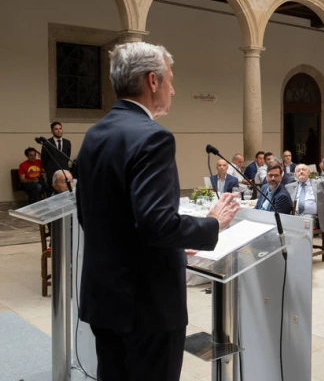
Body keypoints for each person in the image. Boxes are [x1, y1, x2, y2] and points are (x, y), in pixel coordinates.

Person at [75, 42, 240, 380]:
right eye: (171, 80)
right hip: (147, 308)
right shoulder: (153, 138)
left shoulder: (94, 134)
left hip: (104, 298)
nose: (173, 90)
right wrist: (212, 223)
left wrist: (174, 246)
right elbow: (156, 224)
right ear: (153, 81)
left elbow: (92, 216)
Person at [285, 164, 324, 233]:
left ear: (309, 173)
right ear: (295, 175)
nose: (301, 172)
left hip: (311, 216)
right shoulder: (289, 187)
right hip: (295, 216)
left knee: (303, 223)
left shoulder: (318, 184)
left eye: (303, 170)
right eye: (298, 171)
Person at [42, 121, 72, 186]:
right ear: (52, 131)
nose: (59, 131)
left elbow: (67, 156)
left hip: (64, 171)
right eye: (56, 129)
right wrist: (48, 170)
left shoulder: (67, 142)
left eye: (60, 128)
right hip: (52, 172)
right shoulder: (47, 142)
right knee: (52, 190)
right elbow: (44, 159)